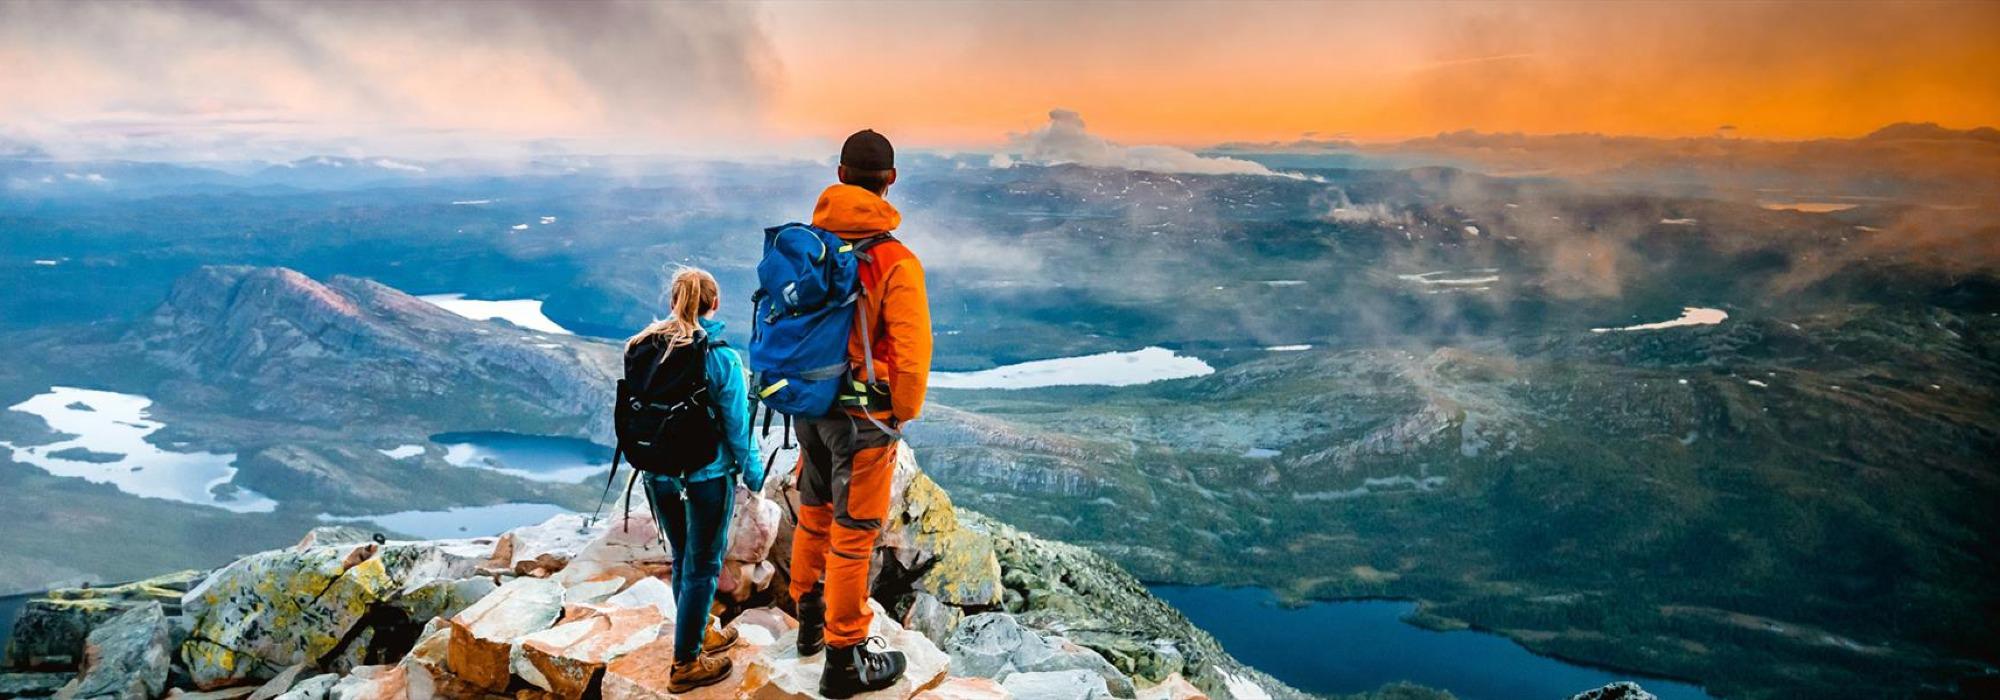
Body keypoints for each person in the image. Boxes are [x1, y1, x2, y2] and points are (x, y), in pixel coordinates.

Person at [787, 129, 933, 698]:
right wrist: (901, 412)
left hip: (809, 404)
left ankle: (807, 624)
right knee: (853, 535)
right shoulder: (895, 261)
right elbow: (912, 353)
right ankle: (845, 661)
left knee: (814, 512)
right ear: (889, 180)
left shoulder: (810, 246)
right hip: (863, 418)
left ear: (841, 174)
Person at [624, 268, 763, 692]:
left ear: (673, 301)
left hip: (657, 473)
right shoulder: (720, 357)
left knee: (685, 556)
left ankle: (698, 630)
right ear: (714, 304)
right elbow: (738, 428)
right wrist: (755, 474)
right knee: (704, 564)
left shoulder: (642, 347)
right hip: (705, 476)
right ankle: (686, 662)